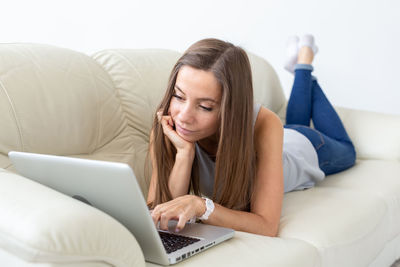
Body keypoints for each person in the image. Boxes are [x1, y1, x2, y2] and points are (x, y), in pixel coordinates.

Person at [146, 35, 356, 237]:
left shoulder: (266, 123)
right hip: (282, 138)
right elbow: (161, 214)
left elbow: (266, 227)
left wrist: (202, 207)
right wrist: (184, 154)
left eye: (205, 106)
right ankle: (300, 67)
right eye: (179, 96)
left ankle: (304, 65)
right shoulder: (169, 126)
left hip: (306, 147)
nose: (183, 116)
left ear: (231, 109)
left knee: (346, 149)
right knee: (294, 123)